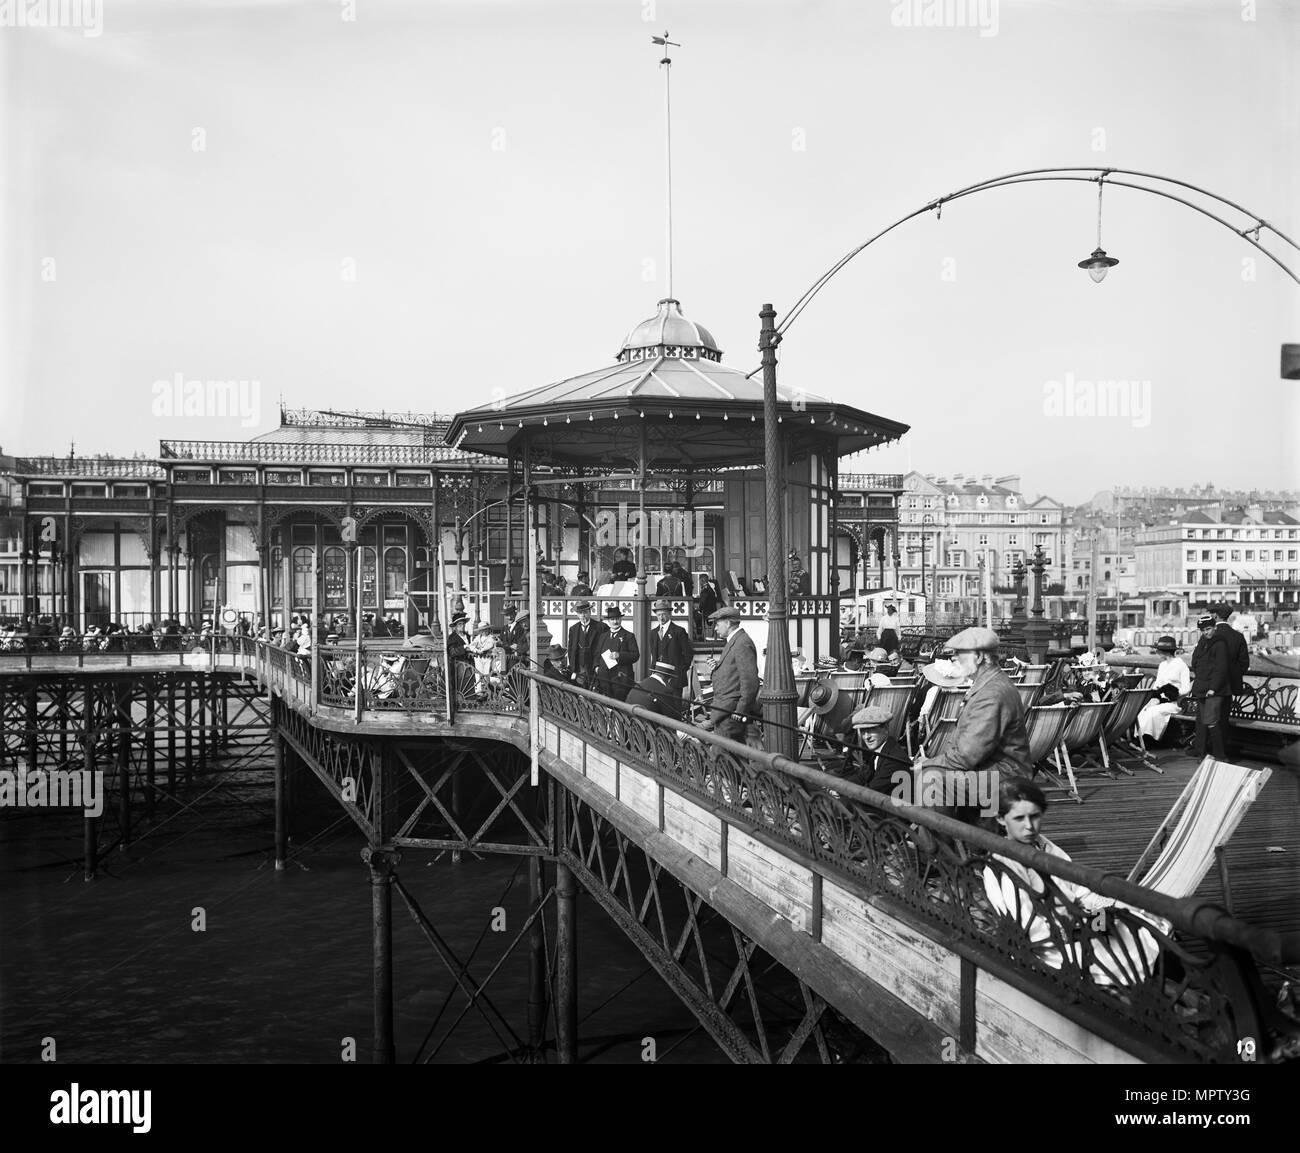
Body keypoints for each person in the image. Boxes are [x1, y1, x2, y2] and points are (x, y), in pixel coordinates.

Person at [982, 777, 1164, 985]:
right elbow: (1032, 930)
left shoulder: (1045, 847)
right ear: (1000, 819)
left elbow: (1080, 892)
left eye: (1034, 816)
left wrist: (1113, 909)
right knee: (1134, 942)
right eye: (1019, 819)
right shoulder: (1001, 868)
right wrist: (1089, 926)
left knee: (1142, 921)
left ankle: (1166, 986)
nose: (1029, 827)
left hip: (1079, 923)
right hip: (1053, 947)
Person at [917, 628, 1030, 821]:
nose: (955, 659)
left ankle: (940, 849)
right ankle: (967, 841)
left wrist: (926, 764)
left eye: (960, 654)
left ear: (978, 657)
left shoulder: (992, 694)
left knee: (931, 779)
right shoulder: (990, 684)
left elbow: (967, 756)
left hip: (1006, 775)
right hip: (997, 769)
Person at [701, 606, 759, 742]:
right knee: (730, 757)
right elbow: (734, 674)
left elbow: (750, 682)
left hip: (730, 714)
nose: (715, 628)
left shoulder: (741, 643)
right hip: (724, 712)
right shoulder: (735, 641)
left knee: (722, 756)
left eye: (718, 624)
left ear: (728, 623)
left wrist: (739, 712)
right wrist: (717, 668)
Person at [1136, 635, 1191, 744]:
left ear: (1165, 651)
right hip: (1161, 699)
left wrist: (1173, 693)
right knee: (1144, 710)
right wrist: (1155, 696)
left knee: (1153, 712)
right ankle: (1141, 738)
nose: (1156, 652)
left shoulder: (1181, 666)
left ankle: (1150, 739)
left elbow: (1186, 688)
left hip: (1176, 701)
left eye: (1158, 650)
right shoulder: (1162, 665)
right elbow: (1157, 684)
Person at [1190, 612, 1230, 760]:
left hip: (1212, 690)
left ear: (1214, 628)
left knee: (1211, 722)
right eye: (1203, 630)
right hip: (1202, 687)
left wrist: (1213, 688)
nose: (1206, 632)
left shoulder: (1220, 644)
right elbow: (1195, 661)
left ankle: (1220, 756)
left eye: (1208, 629)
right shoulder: (1203, 642)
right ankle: (1201, 753)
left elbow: (1221, 668)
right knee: (1201, 722)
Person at [594, 605, 638, 700]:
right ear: (608, 621)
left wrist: (620, 655)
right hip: (604, 679)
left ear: (621, 619)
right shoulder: (603, 636)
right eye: (612, 619)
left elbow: (635, 655)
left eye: (617, 619)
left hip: (621, 680)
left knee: (620, 706)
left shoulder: (628, 636)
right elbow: (597, 654)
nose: (615, 622)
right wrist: (596, 667)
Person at [648, 597, 693, 689]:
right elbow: (653, 654)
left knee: (675, 702)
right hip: (658, 676)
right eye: (659, 614)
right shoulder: (653, 633)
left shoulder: (679, 631)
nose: (661, 617)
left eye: (664, 614)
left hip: (675, 677)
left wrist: (680, 670)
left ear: (669, 614)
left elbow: (688, 654)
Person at [566, 600, 607, 689]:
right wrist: (573, 667)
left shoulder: (601, 627)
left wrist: (599, 666)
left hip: (594, 666)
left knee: (595, 690)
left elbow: (606, 648)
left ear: (590, 612)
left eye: (585, 612)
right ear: (577, 614)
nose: (583, 615)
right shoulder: (573, 629)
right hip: (579, 667)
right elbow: (571, 649)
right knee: (580, 690)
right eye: (580, 613)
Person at [694, 573, 720, 639]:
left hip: (706, 613)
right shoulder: (711, 588)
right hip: (713, 611)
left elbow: (702, 603)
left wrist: (698, 608)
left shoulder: (705, 590)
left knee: (695, 615)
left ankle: (699, 635)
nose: (699, 583)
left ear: (702, 581)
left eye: (699, 581)